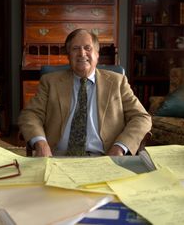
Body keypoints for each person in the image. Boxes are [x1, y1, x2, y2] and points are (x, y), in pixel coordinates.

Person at [18, 29, 152, 157]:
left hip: (105, 157)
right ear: (68, 56)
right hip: (57, 156)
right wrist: (41, 143)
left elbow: (141, 117)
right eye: (75, 49)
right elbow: (30, 114)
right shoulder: (50, 82)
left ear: (97, 54)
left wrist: (120, 147)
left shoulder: (117, 82)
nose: (82, 54)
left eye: (88, 48)